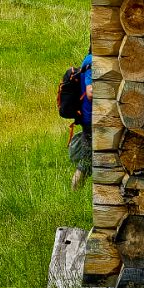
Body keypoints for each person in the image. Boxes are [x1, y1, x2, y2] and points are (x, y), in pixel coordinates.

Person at [67, 48, 93, 190]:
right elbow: (90, 92)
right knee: (86, 161)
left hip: (89, 117)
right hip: (90, 119)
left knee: (89, 159)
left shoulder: (89, 58)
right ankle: (74, 192)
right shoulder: (92, 60)